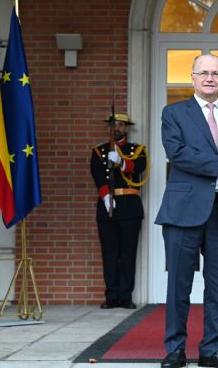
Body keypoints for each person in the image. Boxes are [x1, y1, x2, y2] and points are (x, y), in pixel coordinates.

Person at [155, 54, 218, 368]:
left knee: (217, 285)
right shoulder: (174, 113)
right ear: (193, 77)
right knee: (178, 284)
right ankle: (175, 350)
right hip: (183, 211)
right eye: (203, 73)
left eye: (215, 73)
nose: (209, 78)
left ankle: (211, 350)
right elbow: (178, 154)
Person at [90, 113, 148, 310]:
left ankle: (125, 296)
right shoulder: (99, 151)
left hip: (129, 207)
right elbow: (98, 176)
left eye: (121, 125)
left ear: (126, 128)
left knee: (128, 253)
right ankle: (111, 296)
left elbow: (139, 167)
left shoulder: (137, 150)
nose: (117, 128)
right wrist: (106, 197)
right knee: (110, 254)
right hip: (108, 206)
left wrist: (121, 162)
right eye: (114, 125)